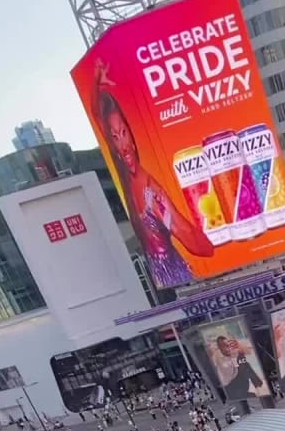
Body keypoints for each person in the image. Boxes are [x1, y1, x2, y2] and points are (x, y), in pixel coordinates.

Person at [92, 63, 215, 288]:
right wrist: (97, 83)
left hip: (174, 280)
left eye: (124, 133)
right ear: (110, 142)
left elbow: (201, 248)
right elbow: (202, 247)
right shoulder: (135, 185)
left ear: (130, 132)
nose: (123, 144)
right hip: (170, 281)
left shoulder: (149, 187)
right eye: (115, 137)